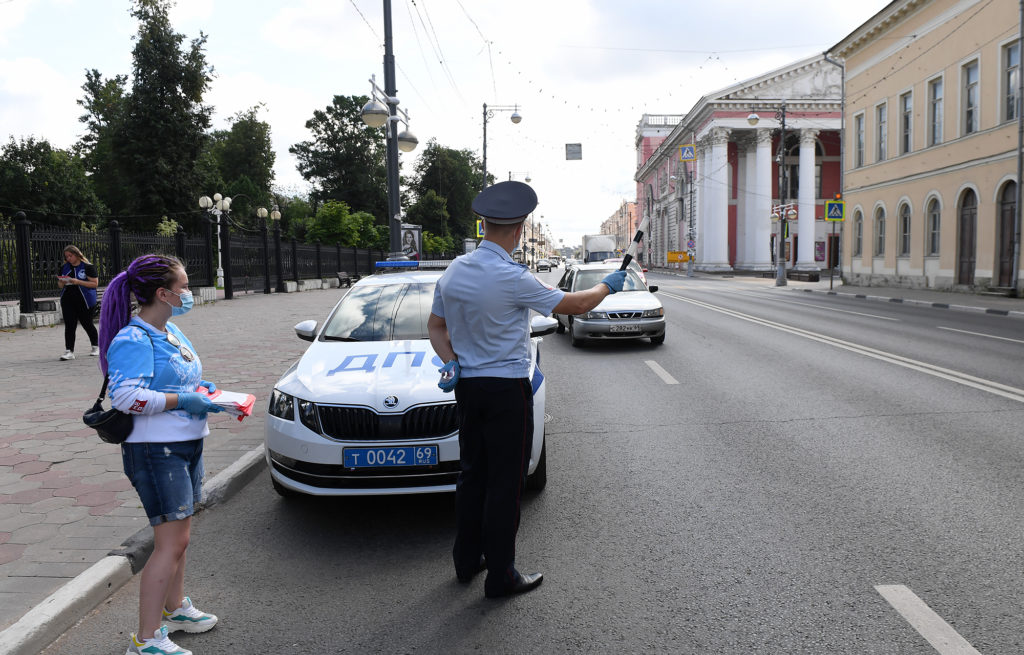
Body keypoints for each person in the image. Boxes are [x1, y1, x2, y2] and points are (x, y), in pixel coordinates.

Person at [427, 181, 626, 599]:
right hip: (505, 393)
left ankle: (466, 561)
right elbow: (576, 305)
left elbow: (436, 327)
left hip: (467, 389)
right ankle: (501, 575)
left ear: (483, 225)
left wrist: (451, 362)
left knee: (471, 476)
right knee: (505, 484)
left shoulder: (454, 271)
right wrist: (609, 284)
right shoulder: (513, 277)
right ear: (519, 230)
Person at [97, 254, 224, 655]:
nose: (188, 294)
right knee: (170, 542)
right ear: (162, 293)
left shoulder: (168, 331)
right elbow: (126, 396)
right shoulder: (133, 338)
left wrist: (204, 391)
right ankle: (146, 639)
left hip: (184, 442)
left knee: (179, 539)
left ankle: (175, 609)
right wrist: (185, 398)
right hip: (155, 450)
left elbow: (177, 377)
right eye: (183, 287)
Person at [57, 245, 99, 360]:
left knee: (87, 323)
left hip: (84, 300)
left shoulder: (88, 267)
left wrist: (78, 281)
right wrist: (62, 281)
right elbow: (60, 285)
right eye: (66, 257)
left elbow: (94, 284)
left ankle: (96, 346)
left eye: (70, 256)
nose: (68, 258)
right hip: (68, 299)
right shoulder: (65, 267)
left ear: (76, 255)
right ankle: (69, 351)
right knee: (70, 325)